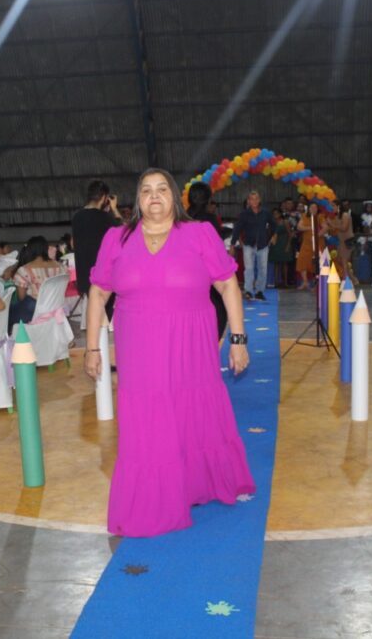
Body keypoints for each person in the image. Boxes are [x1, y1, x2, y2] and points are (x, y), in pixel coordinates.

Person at [83, 167, 255, 537]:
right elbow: (98, 292)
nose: (154, 196)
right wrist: (92, 347)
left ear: (175, 197)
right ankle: (153, 499)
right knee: (148, 421)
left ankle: (196, 483)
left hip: (191, 346)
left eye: (162, 189)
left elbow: (227, 284)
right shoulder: (117, 238)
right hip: (139, 350)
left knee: (191, 412)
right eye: (146, 190)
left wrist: (238, 339)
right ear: (137, 200)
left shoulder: (199, 233)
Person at [71, 179, 122, 318]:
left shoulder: (77, 217)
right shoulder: (104, 217)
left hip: (84, 276)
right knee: (108, 315)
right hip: (103, 275)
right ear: (104, 197)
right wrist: (114, 209)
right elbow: (124, 231)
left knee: (98, 316)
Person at [188, 183, 229, 339]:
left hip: (186, 275)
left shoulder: (180, 219)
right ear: (208, 199)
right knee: (219, 310)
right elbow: (216, 248)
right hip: (208, 274)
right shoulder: (210, 220)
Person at [231, 191, 276, 300]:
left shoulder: (266, 213)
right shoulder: (244, 214)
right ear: (249, 201)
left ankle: (260, 291)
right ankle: (249, 291)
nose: (254, 201)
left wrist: (274, 235)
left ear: (259, 200)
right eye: (252, 199)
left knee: (263, 269)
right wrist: (232, 244)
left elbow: (274, 224)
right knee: (249, 269)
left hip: (263, 245)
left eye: (256, 199)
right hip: (248, 245)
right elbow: (237, 229)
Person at [269, 209, 294, 289]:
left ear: (280, 214)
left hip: (284, 244)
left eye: (277, 213)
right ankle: (276, 282)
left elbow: (290, 234)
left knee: (285, 264)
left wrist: (288, 245)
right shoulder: (272, 223)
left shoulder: (285, 222)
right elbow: (270, 234)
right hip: (275, 245)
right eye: (274, 213)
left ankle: (285, 282)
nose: (275, 215)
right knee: (276, 263)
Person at [295, 204, 317, 290]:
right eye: (312, 207)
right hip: (306, 243)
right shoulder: (304, 216)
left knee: (316, 263)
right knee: (301, 261)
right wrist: (310, 228)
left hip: (318, 243)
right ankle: (305, 282)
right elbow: (299, 227)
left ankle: (317, 284)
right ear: (308, 208)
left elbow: (325, 227)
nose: (313, 209)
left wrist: (318, 233)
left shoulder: (320, 217)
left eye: (315, 207)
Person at [331, 200, 354, 278]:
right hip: (341, 241)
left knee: (344, 260)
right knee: (340, 260)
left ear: (338, 206)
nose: (331, 207)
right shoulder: (336, 216)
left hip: (347, 241)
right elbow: (334, 229)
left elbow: (344, 228)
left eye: (333, 205)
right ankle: (352, 279)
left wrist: (333, 225)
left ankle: (346, 279)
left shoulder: (345, 215)